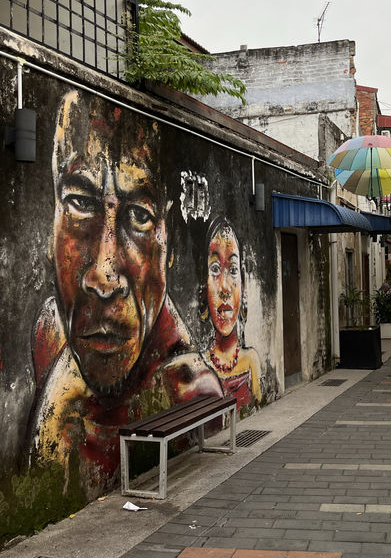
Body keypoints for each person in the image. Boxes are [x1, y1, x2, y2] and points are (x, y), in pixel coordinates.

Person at [29, 89, 224, 496]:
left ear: (167, 246)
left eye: (139, 216)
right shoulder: (49, 328)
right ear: (49, 232)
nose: (104, 274)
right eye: (80, 203)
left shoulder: (186, 388)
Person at [201, 216, 261, 408]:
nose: (225, 288)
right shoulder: (198, 367)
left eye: (233, 270)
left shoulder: (251, 360)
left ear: (243, 285)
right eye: (215, 269)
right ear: (204, 286)